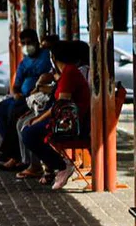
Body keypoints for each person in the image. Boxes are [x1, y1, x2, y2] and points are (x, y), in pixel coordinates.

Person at [21, 41, 92, 190]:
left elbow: (60, 105)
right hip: (66, 120)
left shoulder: (70, 73)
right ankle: (57, 166)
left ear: (54, 57)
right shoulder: (67, 72)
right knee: (28, 130)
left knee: (29, 133)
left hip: (71, 124)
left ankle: (61, 165)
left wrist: (38, 120)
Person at [0, 29, 51, 165]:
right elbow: (16, 84)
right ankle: (11, 147)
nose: (26, 46)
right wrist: (16, 93)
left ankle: (13, 154)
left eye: (29, 42)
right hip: (22, 96)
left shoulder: (46, 56)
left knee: (14, 110)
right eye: (23, 43)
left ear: (37, 42)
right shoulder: (24, 62)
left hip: (37, 96)